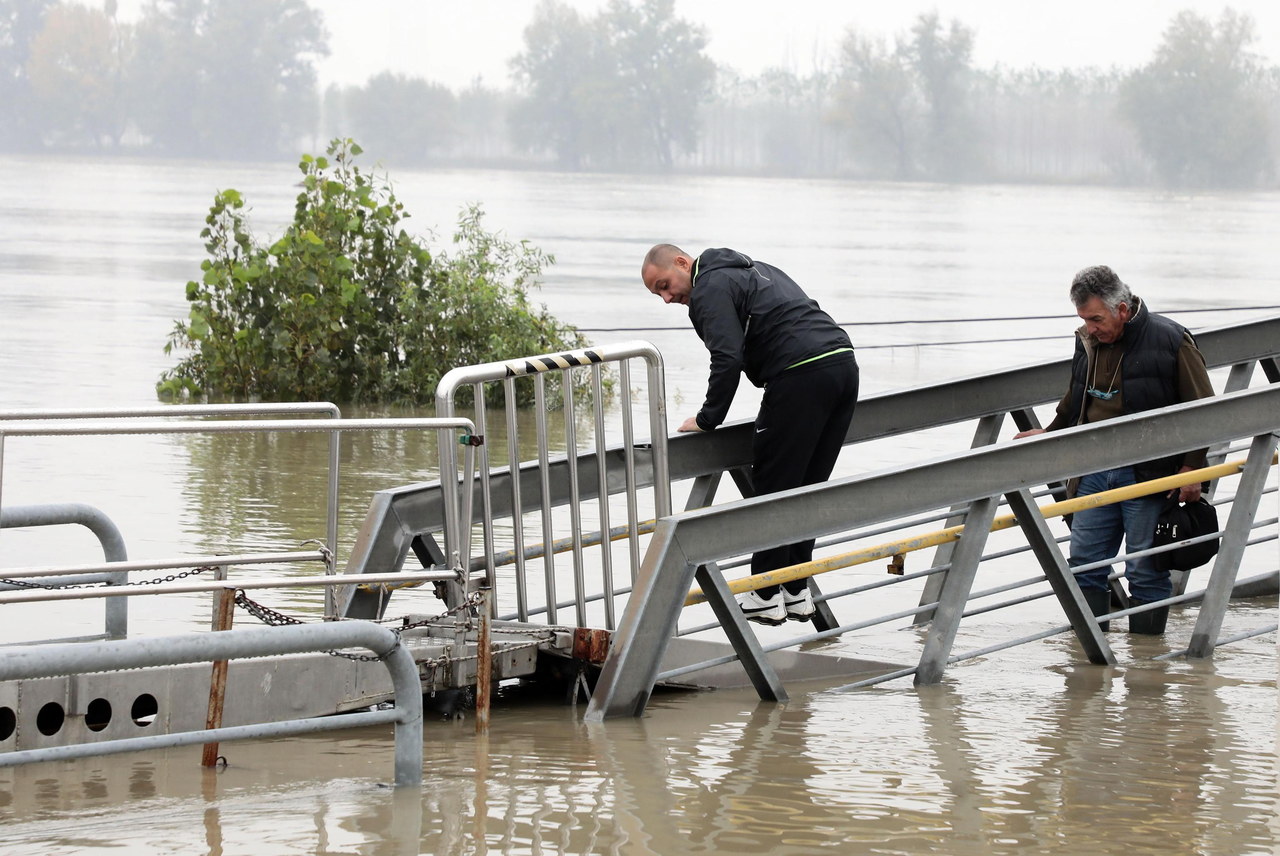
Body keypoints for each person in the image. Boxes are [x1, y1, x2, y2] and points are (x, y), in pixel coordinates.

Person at [641, 244, 859, 625]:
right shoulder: (753, 269)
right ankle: (795, 588)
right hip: (842, 365)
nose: (666, 297)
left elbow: (727, 357)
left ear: (681, 263)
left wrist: (708, 419)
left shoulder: (708, 287)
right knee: (807, 487)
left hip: (799, 374)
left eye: (664, 285)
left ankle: (763, 593)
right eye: (657, 293)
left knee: (773, 487)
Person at [1015, 265, 1214, 634]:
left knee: (1145, 567)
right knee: (1084, 563)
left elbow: (1204, 409)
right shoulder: (1089, 340)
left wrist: (1193, 469)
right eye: (1084, 319)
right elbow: (1077, 396)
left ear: (1122, 310)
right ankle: (1092, 662)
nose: (1090, 327)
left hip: (1151, 474)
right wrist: (1049, 431)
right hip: (1093, 470)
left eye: (1095, 319)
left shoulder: (1171, 340)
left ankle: (1147, 663)